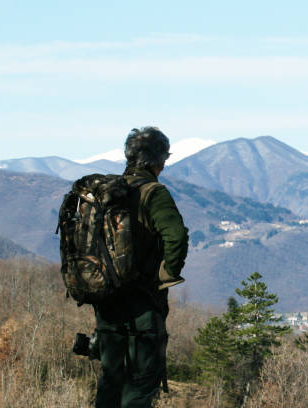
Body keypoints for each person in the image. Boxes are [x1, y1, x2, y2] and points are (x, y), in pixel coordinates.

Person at [93, 126, 189, 408]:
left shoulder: (107, 192)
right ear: (160, 161)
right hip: (143, 303)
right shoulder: (153, 193)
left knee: (111, 380)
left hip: (106, 301)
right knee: (140, 382)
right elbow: (176, 236)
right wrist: (167, 274)